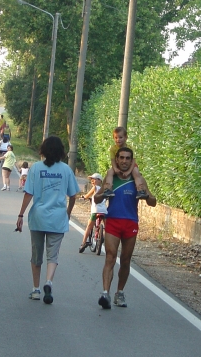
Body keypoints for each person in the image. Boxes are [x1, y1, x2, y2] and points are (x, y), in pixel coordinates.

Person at [15, 136, 79, 304]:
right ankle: (48, 282)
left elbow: (29, 193)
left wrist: (21, 214)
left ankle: (36, 289)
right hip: (58, 218)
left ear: (43, 150)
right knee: (53, 255)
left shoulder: (35, 168)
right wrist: (68, 212)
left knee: (36, 255)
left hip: (38, 217)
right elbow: (73, 195)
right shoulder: (66, 170)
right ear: (61, 152)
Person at [94, 147, 156, 309]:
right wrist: (103, 195)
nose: (124, 161)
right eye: (121, 157)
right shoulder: (110, 178)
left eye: (127, 158)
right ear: (117, 159)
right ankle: (105, 293)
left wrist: (147, 196)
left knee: (126, 260)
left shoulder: (138, 179)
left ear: (132, 161)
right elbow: (96, 198)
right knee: (110, 256)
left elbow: (153, 201)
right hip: (113, 221)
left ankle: (119, 292)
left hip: (130, 223)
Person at [101, 126, 148, 199]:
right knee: (109, 172)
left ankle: (140, 190)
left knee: (136, 173)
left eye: (120, 137)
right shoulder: (113, 149)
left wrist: (129, 171)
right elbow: (113, 160)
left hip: (131, 165)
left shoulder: (130, 148)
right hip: (117, 165)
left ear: (126, 138)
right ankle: (108, 189)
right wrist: (115, 168)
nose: (118, 140)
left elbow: (133, 161)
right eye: (116, 138)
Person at [78, 173, 107, 253]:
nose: (92, 181)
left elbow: (87, 195)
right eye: (91, 179)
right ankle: (108, 244)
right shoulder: (104, 189)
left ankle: (83, 243)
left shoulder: (95, 188)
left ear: (99, 180)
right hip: (104, 211)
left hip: (95, 211)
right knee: (108, 228)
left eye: (94, 179)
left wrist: (83, 197)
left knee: (89, 227)